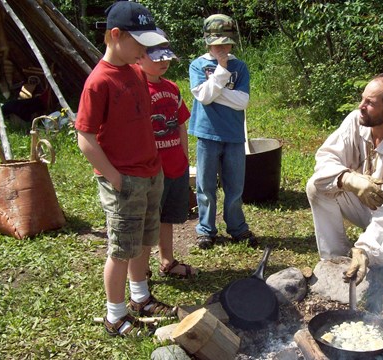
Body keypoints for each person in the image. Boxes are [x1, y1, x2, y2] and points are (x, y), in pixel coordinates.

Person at [75, 1, 175, 337]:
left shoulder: (134, 71)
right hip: (124, 180)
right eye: (141, 43)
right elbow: (85, 137)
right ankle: (115, 317)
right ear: (115, 35)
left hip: (150, 173)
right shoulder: (98, 82)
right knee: (121, 249)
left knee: (144, 239)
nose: (146, 50)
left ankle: (140, 298)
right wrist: (115, 178)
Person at [306, 73, 383, 285]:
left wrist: (365, 250)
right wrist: (348, 179)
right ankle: (334, 260)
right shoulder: (356, 120)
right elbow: (325, 157)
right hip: (366, 204)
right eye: (362, 99)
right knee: (316, 187)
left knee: (381, 263)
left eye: (370, 103)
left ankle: (367, 256)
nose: (361, 106)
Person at [189, 14, 257, 249]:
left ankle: (237, 227)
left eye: (226, 43)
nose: (222, 47)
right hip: (207, 134)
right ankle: (206, 230)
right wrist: (221, 72)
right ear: (208, 42)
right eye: (217, 43)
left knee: (235, 186)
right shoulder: (197, 65)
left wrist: (215, 90)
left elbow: (242, 101)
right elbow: (204, 97)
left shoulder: (240, 66)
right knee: (206, 185)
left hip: (234, 136)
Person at [137, 28, 198, 279]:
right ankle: (140, 270)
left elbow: (181, 125)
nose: (163, 62)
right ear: (139, 57)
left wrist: (185, 159)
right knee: (146, 221)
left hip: (175, 165)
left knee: (167, 218)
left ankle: (167, 260)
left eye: (166, 57)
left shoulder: (172, 88)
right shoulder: (136, 89)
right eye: (156, 57)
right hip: (151, 170)